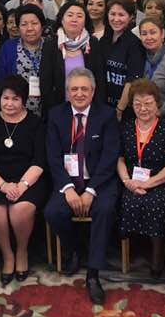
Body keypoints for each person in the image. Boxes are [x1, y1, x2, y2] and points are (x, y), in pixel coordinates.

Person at [44, 68, 120, 304]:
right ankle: (73, 249)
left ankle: (93, 274)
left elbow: (110, 157)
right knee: (53, 212)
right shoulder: (56, 115)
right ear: (67, 92)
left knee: (104, 210)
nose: (79, 94)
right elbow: (53, 157)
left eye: (84, 89)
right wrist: (67, 188)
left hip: (99, 181)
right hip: (67, 181)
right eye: (74, 89)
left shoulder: (106, 115)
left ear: (93, 91)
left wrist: (90, 191)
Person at [0, 75, 47, 285]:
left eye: (15, 99)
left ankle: (22, 251)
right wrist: (3, 185)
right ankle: (7, 254)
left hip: (28, 179)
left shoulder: (35, 123)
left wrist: (22, 185)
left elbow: (40, 160)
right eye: (5, 98)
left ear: (24, 100)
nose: (9, 103)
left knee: (20, 209)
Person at [116, 79, 165, 278]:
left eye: (148, 103)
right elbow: (119, 159)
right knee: (128, 201)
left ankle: (157, 256)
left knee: (155, 204)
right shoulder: (126, 128)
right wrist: (127, 181)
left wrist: (147, 183)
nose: (143, 108)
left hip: (160, 181)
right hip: (131, 181)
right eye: (137, 104)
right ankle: (134, 251)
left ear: (157, 104)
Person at [39, 0, 105, 111]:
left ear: (85, 21)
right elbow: (46, 82)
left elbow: (99, 79)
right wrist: (53, 111)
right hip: (58, 107)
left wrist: (98, 109)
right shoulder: (51, 44)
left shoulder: (92, 43)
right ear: (62, 19)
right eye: (70, 15)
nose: (74, 19)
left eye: (79, 16)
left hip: (89, 107)